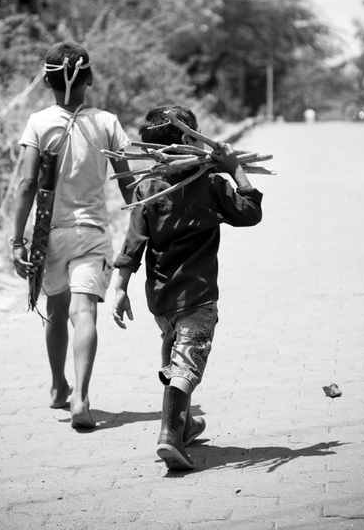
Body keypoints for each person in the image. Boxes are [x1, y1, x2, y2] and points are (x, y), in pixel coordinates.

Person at [112, 105, 263, 470]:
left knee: (175, 353)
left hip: (161, 298)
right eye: (197, 137)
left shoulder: (147, 188)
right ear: (186, 141)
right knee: (188, 359)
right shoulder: (211, 184)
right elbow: (250, 213)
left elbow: (134, 243)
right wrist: (235, 170)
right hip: (197, 295)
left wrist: (120, 288)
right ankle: (169, 435)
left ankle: (184, 423)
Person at [12, 40, 134, 429]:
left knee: (55, 309)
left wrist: (17, 240)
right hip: (92, 232)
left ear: (47, 82)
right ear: (90, 79)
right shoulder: (107, 122)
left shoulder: (38, 123)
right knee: (84, 313)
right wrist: (144, 226)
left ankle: (57, 387)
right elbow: (128, 184)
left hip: (51, 234)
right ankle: (81, 397)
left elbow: (27, 184)